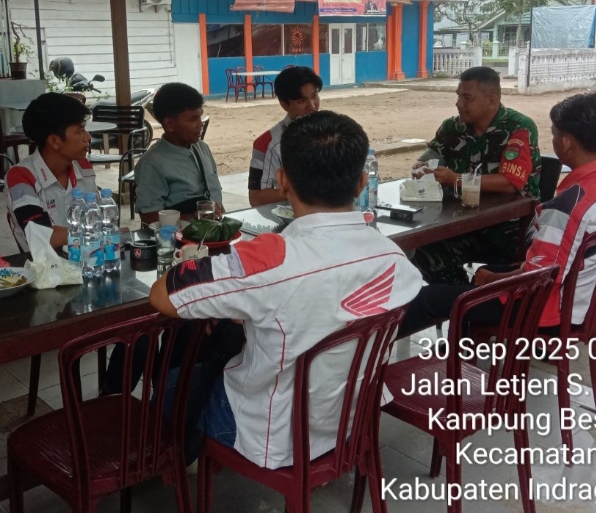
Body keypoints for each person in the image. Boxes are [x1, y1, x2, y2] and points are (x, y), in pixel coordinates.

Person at [150, 110, 423, 469]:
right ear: (361, 182)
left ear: (282, 181)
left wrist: (237, 302)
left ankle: (167, 466)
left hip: (272, 432)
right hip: (349, 419)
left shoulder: (269, 258)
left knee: (173, 384)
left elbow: (162, 295)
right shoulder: (393, 258)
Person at [403, 92, 596, 335]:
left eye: (554, 134)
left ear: (566, 142)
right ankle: (463, 345)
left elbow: (536, 279)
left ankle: (377, 351)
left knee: (428, 298)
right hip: (581, 304)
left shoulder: (565, 208)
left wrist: (492, 280)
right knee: (474, 277)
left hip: (541, 310)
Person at [411, 66, 542, 285]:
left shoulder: (518, 127)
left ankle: (465, 298)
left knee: (434, 258)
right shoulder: (453, 127)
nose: (459, 103)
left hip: (507, 230)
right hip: (460, 223)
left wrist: (455, 179)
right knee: (423, 254)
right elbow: (432, 153)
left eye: (467, 98)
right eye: (458, 96)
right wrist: (421, 166)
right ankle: (461, 296)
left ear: (492, 101)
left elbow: (510, 183)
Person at [6, 92, 94, 251]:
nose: (88, 137)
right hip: (44, 264)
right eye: (80, 131)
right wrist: (96, 233)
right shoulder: (21, 176)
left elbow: (95, 217)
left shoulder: (83, 167)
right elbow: (41, 235)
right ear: (54, 141)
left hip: (85, 257)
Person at [134, 82, 223, 224]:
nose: (200, 124)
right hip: (180, 236)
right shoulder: (152, 163)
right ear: (170, 124)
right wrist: (193, 218)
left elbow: (215, 194)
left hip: (213, 229)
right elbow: (149, 218)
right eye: (193, 119)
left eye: (200, 117)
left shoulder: (203, 148)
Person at [248, 66, 323, 207]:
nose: (312, 106)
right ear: (284, 104)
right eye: (302, 101)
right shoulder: (268, 143)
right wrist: (308, 193)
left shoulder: (333, 132)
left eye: (314, 96)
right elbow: (256, 198)